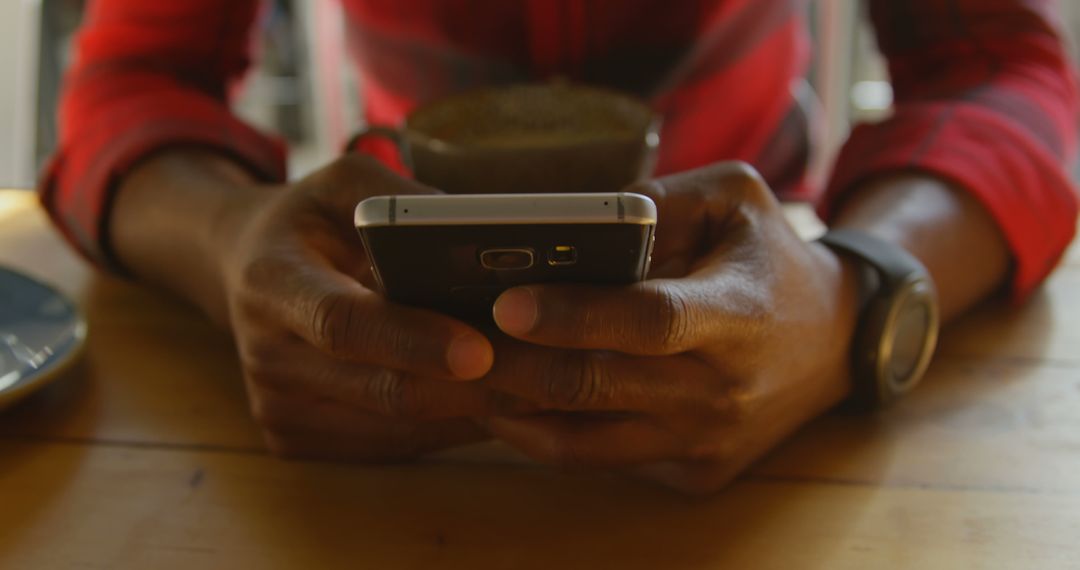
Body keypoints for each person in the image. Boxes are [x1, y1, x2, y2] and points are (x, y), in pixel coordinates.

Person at [40, 0, 1078, 493]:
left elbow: (1002, 73)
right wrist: (230, 247)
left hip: (779, 352)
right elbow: (130, 83)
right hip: (392, 396)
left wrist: (854, 295)